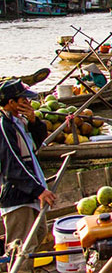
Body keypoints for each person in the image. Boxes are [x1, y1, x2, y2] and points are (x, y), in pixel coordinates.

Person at [0, 80, 53, 273]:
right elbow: (12, 166)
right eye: (24, 100)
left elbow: (37, 145)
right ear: (12, 103)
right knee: (21, 250)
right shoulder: (4, 125)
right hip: (18, 195)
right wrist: (39, 191)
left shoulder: (19, 122)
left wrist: (34, 121)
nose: (29, 104)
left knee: (39, 234)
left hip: (30, 190)